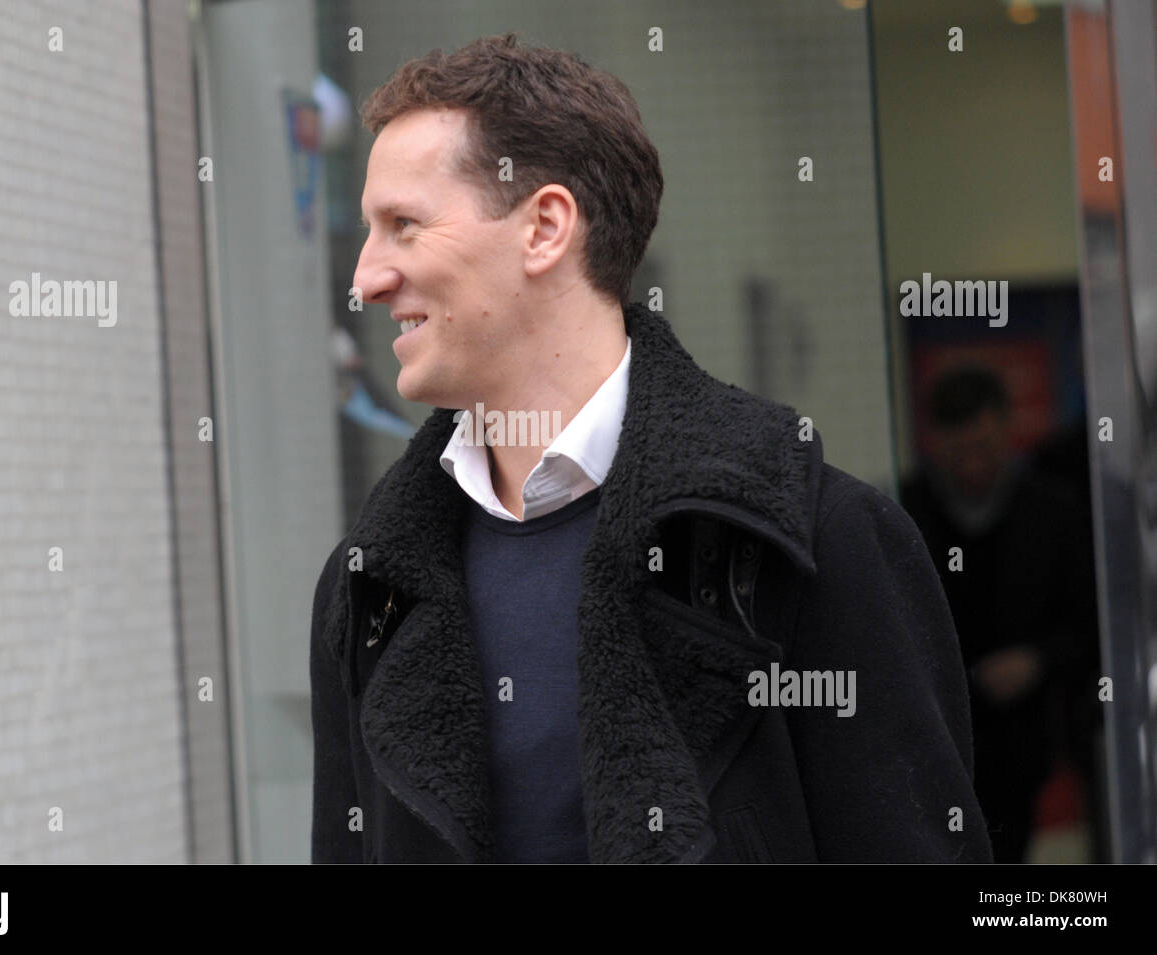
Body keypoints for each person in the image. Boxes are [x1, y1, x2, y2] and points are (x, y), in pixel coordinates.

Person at [310, 33, 991, 864]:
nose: (367, 276)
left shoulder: (815, 541)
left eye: (404, 226)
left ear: (545, 228)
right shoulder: (368, 588)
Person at [901, 366, 1100, 862]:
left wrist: (1037, 660)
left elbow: (1090, 620)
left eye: (983, 449)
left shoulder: (1052, 510)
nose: (972, 467)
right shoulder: (905, 512)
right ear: (933, 442)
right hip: (934, 737)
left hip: (1023, 738)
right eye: (958, 452)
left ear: (1008, 430)